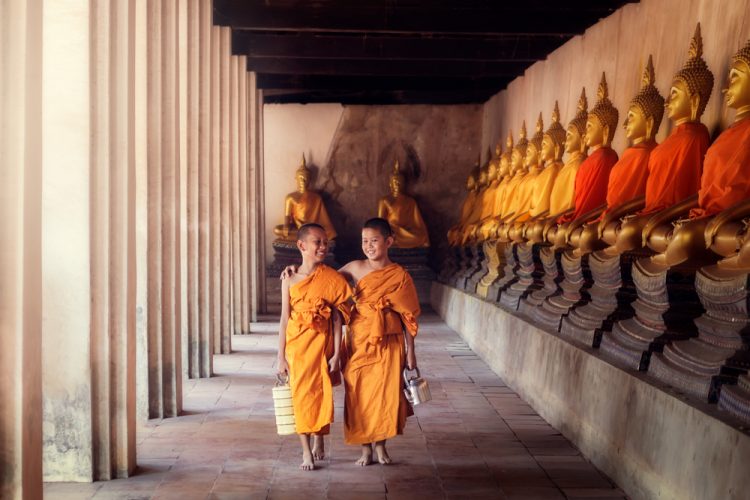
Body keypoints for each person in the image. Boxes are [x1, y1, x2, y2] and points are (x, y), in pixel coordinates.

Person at [282, 218, 421, 466]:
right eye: (364, 241)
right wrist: (293, 266)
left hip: (390, 340)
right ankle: (365, 448)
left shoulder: (400, 275)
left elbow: (407, 315)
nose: (368, 246)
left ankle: (380, 446)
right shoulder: (354, 268)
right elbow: (319, 279)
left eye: (374, 241)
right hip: (358, 339)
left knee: (385, 394)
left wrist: (411, 353)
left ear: (388, 242)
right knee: (358, 394)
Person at [277, 223, 352, 471]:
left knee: (320, 393)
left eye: (325, 242)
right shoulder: (289, 279)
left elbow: (338, 317)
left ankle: (319, 437)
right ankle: (306, 451)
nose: (323, 246)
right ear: (301, 245)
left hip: (323, 344)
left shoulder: (331, 277)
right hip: (297, 347)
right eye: (317, 242)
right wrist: (280, 357)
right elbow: (284, 318)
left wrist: (337, 355)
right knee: (301, 396)